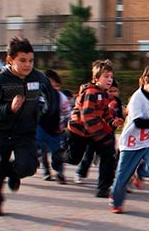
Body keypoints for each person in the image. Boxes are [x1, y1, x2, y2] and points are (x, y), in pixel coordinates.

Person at [0, 37, 56, 216]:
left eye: (31, 60)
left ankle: (14, 173)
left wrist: (44, 112)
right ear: (10, 60)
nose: (27, 65)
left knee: (28, 167)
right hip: (0, 134)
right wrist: (9, 108)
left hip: (25, 133)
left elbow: (51, 97)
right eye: (22, 60)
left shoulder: (38, 78)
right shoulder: (1, 81)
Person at [53, 60, 124, 198]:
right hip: (78, 131)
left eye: (111, 77)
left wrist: (113, 122)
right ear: (96, 78)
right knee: (74, 159)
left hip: (92, 131)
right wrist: (101, 134)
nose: (109, 80)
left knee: (108, 154)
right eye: (106, 76)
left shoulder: (103, 94)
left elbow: (104, 114)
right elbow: (87, 117)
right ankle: (57, 156)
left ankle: (103, 188)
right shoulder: (91, 92)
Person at [110, 62, 149, 213]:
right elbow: (139, 123)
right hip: (132, 143)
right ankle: (116, 200)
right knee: (122, 177)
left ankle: (139, 173)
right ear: (145, 80)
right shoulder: (137, 98)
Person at [74, 79, 125, 183]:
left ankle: (108, 178)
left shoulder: (118, 102)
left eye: (115, 91)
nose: (113, 93)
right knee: (89, 154)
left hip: (109, 132)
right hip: (96, 131)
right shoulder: (100, 100)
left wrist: (118, 120)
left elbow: (119, 115)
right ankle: (80, 173)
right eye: (110, 91)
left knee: (110, 155)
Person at [36, 69, 72, 183]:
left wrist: (63, 125)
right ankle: (46, 171)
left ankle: (59, 173)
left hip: (55, 130)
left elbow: (67, 113)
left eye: (55, 82)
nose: (52, 85)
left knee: (57, 153)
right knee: (41, 150)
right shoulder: (37, 95)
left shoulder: (61, 97)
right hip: (40, 128)